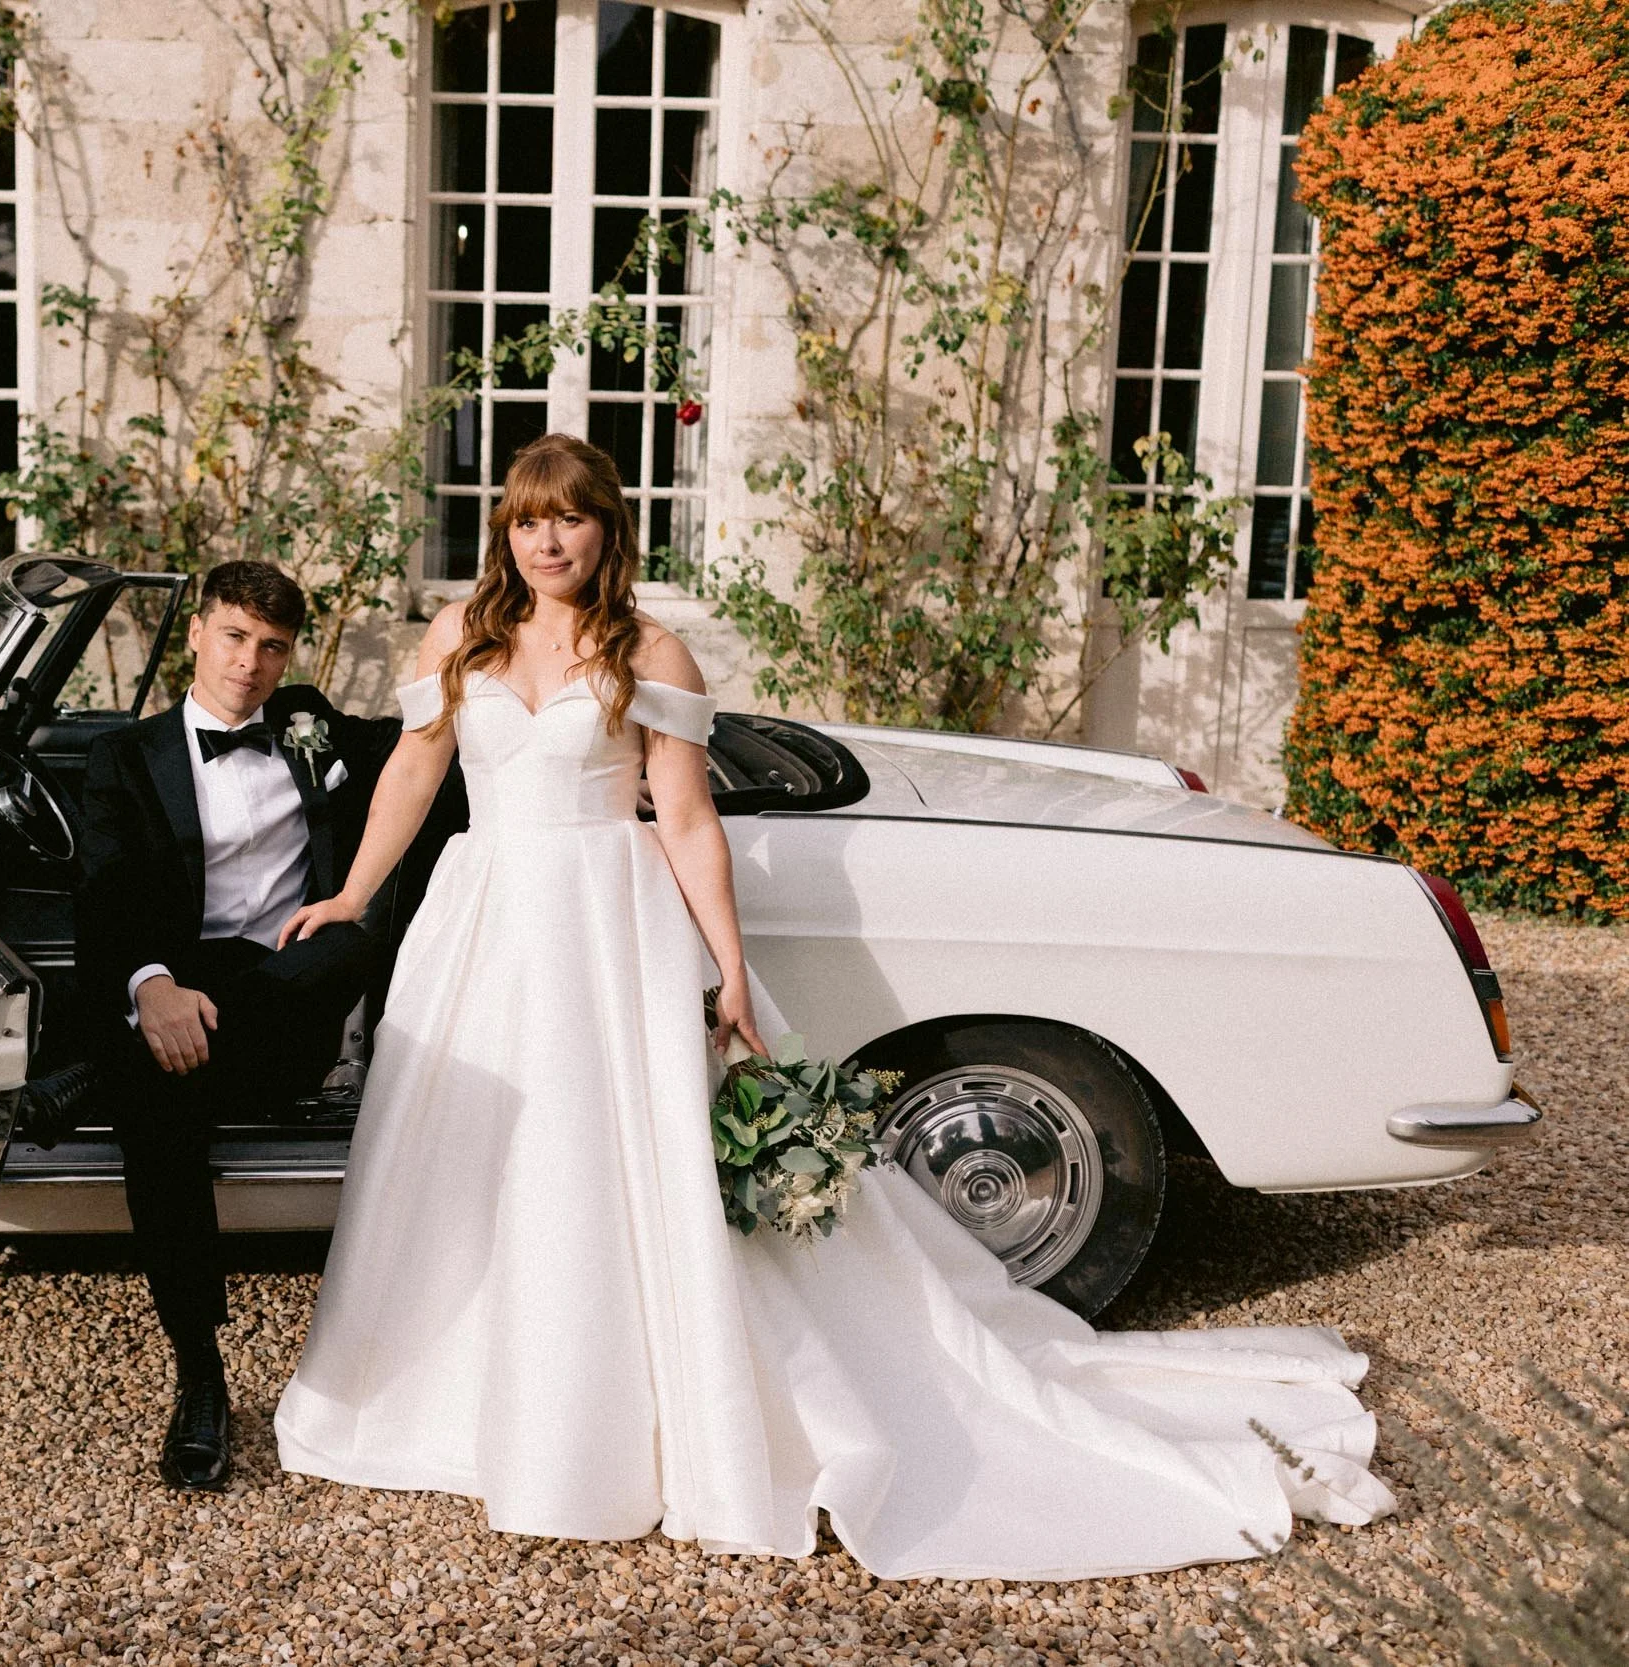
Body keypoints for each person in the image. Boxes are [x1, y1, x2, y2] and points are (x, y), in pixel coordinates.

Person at [268, 434, 1395, 1578]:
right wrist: (355, 894)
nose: (544, 540)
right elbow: (415, 764)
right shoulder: (462, 632)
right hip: (484, 916)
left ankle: (614, 1422)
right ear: (504, 530)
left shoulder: (646, 647)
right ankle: (454, 1403)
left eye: (567, 519)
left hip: (604, 924)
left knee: (601, 1159)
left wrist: (731, 969)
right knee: (470, 1154)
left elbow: (687, 818)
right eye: (523, 520)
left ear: (607, 528)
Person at [72, 560, 396, 1493]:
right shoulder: (123, 759)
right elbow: (104, 900)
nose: (251, 664)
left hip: (289, 996)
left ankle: (97, 1075)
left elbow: (433, 748)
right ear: (197, 634)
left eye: (273, 646)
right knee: (157, 1102)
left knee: (347, 938)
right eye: (234, 637)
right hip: (181, 1000)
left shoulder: (310, 725)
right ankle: (201, 1374)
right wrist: (150, 985)